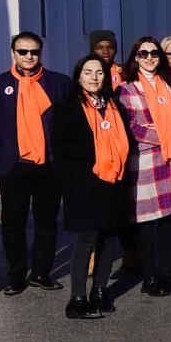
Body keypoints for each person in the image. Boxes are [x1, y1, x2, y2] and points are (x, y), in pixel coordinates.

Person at [0, 31, 73, 293]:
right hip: (12, 164)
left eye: (34, 52)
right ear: (13, 53)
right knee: (12, 224)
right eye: (23, 51)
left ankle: (41, 273)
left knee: (46, 222)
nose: (29, 56)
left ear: (40, 53)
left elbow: (72, 122)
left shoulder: (60, 82)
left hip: (49, 163)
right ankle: (16, 276)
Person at [52, 55, 130, 319]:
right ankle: (77, 299)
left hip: (113, 181)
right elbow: (61, 146)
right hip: (83, 183)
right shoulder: (67, 107)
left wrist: (114, 153)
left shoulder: (114, 105)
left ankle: (99, 290)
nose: (94, 77)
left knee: (108, 238)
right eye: (88, 72)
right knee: (86, 240)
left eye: (99, 72)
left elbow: (126, 139)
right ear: (78, 76)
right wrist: (100, 150)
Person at [118, 37, 171, 296]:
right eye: (143, 53)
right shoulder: (127, 89)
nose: (149, 58)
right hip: (145, 162)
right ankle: (150, 276)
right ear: (135, 57)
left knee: (170, 220)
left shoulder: (169, 85)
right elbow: (130, 126)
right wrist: (163, 134)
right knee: (146, 222)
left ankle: (167, 273)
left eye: (154, 53)